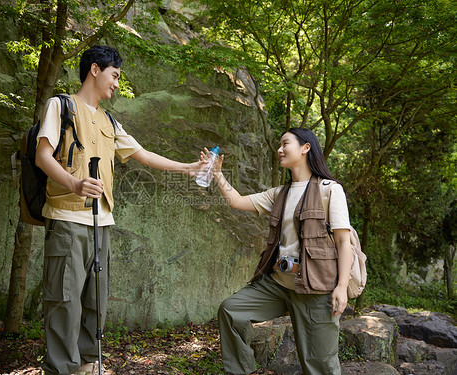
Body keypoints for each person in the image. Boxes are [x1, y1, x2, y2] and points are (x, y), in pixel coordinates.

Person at [35, 45, 204, 375]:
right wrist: (74, 184)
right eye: (114, 76)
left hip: (102, 223)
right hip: (66, 219)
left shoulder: (110, 121)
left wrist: (189, 168)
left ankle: (87, 364)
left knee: (94, 301)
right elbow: (43, 156)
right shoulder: (61, 106)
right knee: (63, 302)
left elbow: (144, 155)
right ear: (95, 70)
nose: (116, 84)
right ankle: (61, 369)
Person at [209, 128, 352, 375]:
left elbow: (343, 242)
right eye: (279, 145)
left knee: (319, 364)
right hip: (277, 285)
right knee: (231, 310)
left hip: (315, 289)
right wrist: (218, 174)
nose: (279, 149)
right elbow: (237, 201)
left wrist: (341, 286)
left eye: (285, 143)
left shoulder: (330, 190)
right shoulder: (279, 194)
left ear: (306, 148)